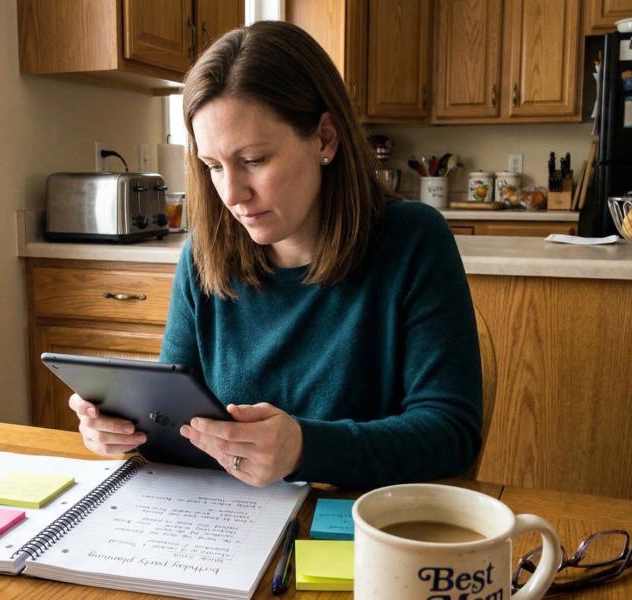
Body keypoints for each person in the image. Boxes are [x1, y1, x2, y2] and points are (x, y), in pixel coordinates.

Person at [70, 20, 482, 489]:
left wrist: (305, 448)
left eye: (254, 160)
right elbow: (178, 420)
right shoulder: (205, 255)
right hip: (229, 529)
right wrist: (127, 428)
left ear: (325, 139)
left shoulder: (413, 241)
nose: (232, 193)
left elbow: (451, 433)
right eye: (213, 166)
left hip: (358, 530)